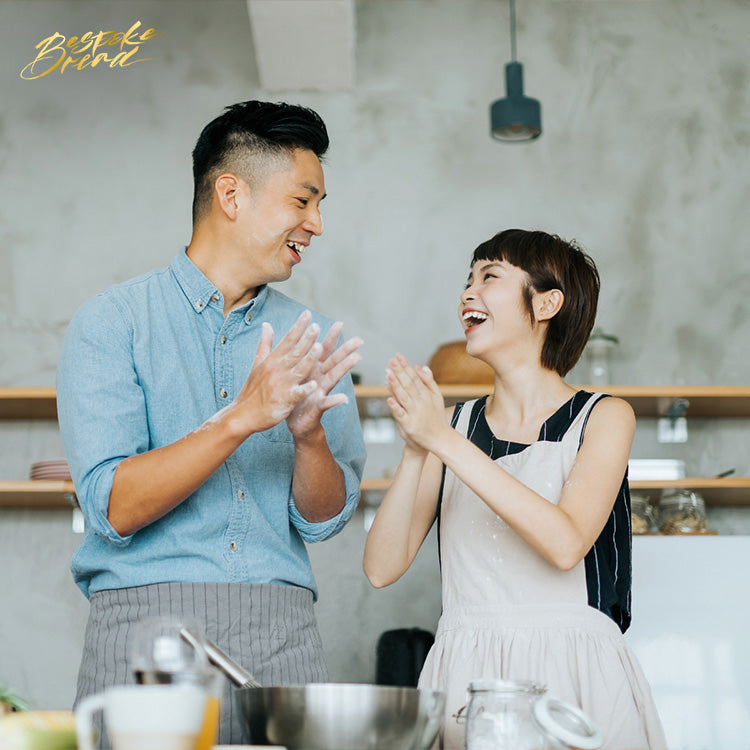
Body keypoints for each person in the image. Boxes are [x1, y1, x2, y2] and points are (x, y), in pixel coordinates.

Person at [57, 100, 366, 744]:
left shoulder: (304, 336)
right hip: (144, 639)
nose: (316, 223)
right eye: (303, 200)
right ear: (231, 194)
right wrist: (242, 419)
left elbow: (325, 518)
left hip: (283, 640)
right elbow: (113, 506)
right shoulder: (113, 323)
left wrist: (309, 438)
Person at [363, 229, 666, 750]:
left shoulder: (605, 416)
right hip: (465, 674)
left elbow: (566, 542)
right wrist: (418, 447)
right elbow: (381, 567)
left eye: (489, 276)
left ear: (547, 303)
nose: (467, 293)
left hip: (576, 674)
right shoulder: (452, 428)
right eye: (467, 280)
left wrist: (442, 440)